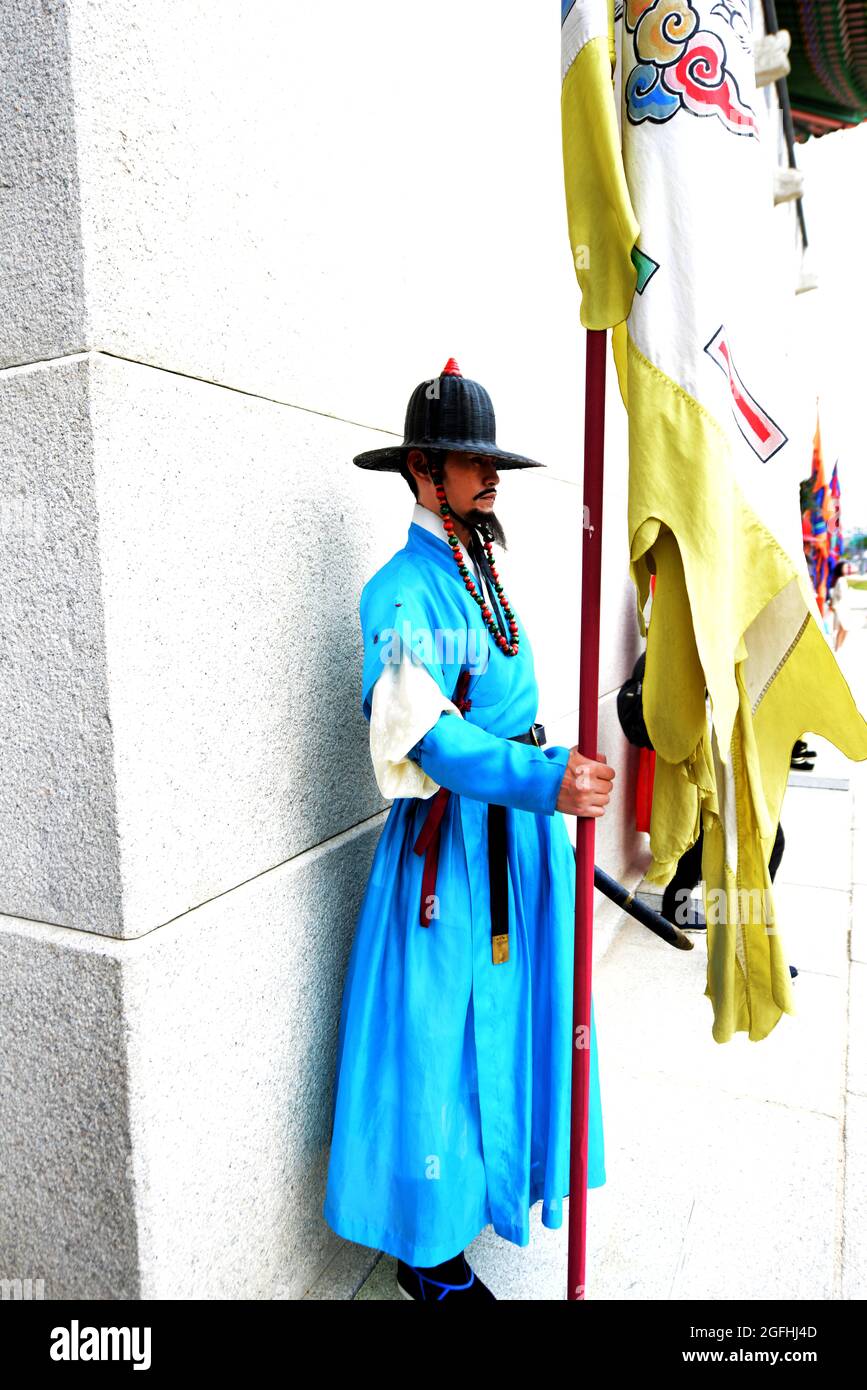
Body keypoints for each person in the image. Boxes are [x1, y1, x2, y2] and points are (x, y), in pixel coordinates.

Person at [322, 358, 615, 1301]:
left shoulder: (480, 563)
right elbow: (429, 733)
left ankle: (481, 1207)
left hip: (520, 846)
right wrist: (539, 777)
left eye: (490, 462)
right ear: (421, 469)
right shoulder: (400, 592)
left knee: (518, 1024)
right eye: (466, 460)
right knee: (435, 1042)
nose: (488, 477)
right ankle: (426, 1254)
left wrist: (554, 765)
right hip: (451, 857)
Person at [828, 559, 853, 653]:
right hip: (839, 608)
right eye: (845, 567)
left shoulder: (842, 580)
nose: (847, 569)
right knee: (842, 628)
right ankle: (837, 649)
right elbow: (836, 594)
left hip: (843, 607)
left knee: (844, 628)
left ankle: (838, 648)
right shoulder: (840, 580)